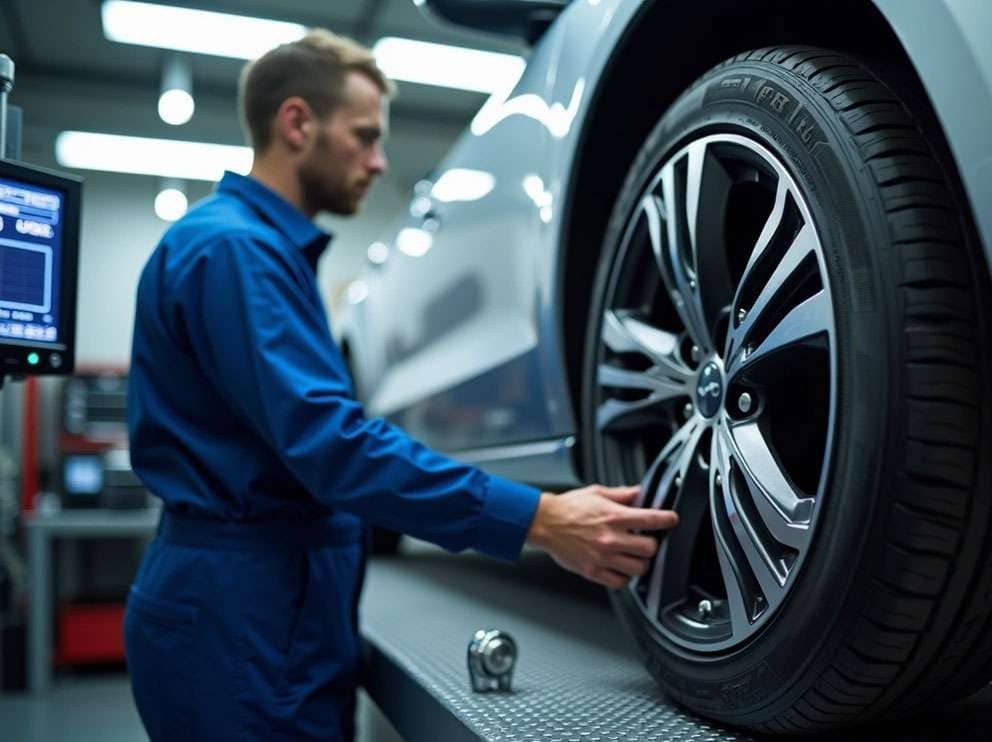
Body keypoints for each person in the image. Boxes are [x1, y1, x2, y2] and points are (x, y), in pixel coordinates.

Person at [123, 28, 677, 741]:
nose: (380, 162)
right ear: (297, 123)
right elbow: (333, 447)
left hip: (269, 602)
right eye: (363, 136)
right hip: (242, 615)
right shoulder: (236, 251)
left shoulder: (251, 249)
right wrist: (539, 520)